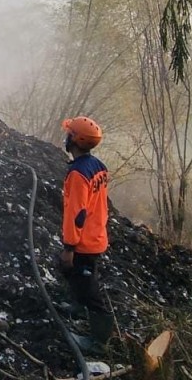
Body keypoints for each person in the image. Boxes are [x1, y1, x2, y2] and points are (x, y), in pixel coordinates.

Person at [59, 116, 116, 355]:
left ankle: (99, 341)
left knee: (88, 287)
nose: (66, 136)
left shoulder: (77, 175)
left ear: (74, 139)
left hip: (84, 242)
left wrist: (69, 247)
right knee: (76, 275)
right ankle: (77, 305)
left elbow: (77, 215)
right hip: (96, 236)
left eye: (69, 133)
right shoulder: (98, 167)